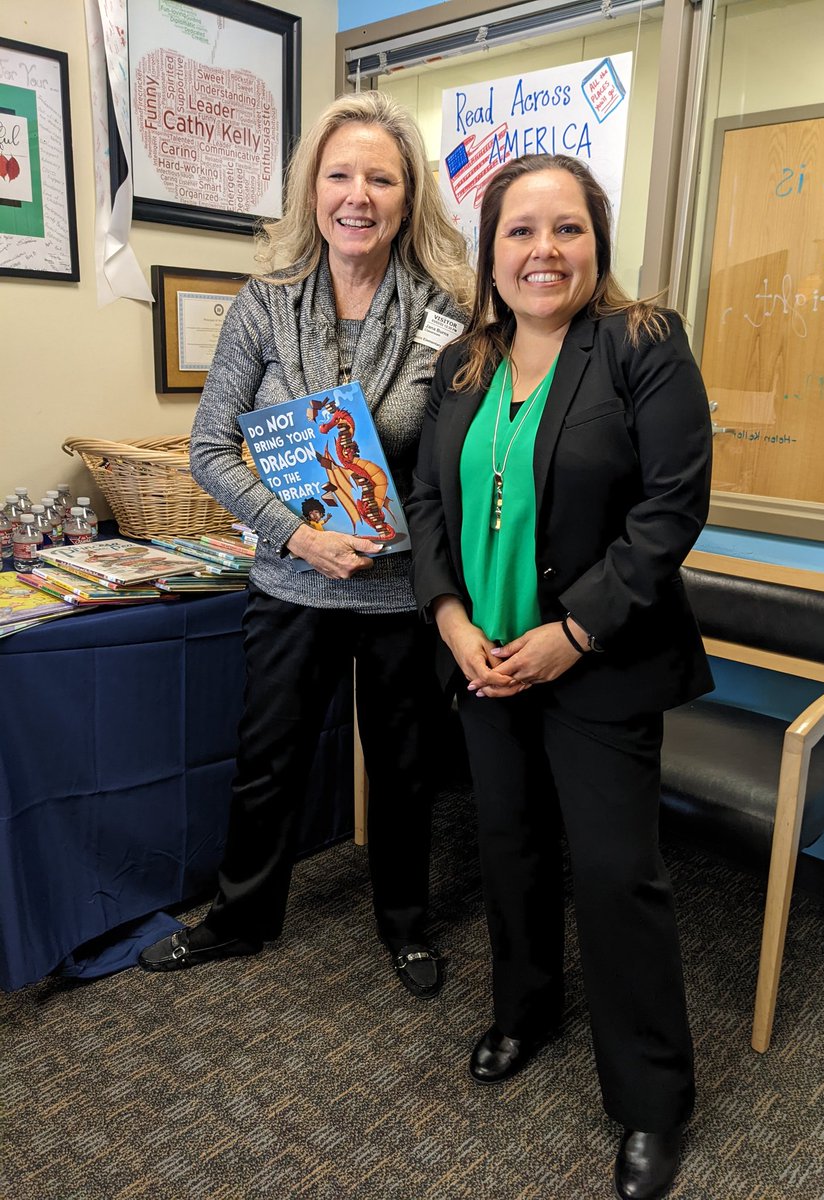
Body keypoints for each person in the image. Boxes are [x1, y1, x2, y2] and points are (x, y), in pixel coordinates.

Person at [406, 153, 713, 1199]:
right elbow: (428, 507)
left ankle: (651, 1101)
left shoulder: (643, 345)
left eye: (567, 229)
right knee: (510, 848)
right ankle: (524, 1009)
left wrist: (571, 633)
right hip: (486, 657)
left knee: (616, 876)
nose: (544, 251)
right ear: (490, 252)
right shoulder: (461, 362)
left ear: (598, 241)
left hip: (598, 665)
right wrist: (449, 617)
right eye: (520, 232)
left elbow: (669, 511)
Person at [139, 92, 471, 1000]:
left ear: (409, 199)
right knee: (268, 760)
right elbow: (210, 448)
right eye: (339, 175)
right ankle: (240, 918)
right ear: (312, 191)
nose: (357, 195)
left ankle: (404, 926)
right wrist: (297, 536)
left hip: (403, 594)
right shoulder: (265, 306)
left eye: (381, 178)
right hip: (293, 584)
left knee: (405, 772)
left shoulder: (448, 317)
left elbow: (454, 460)